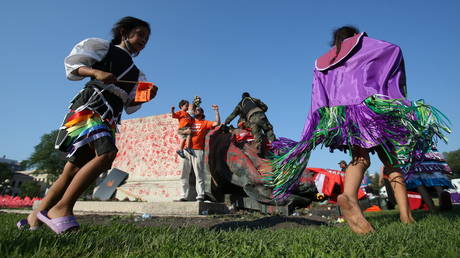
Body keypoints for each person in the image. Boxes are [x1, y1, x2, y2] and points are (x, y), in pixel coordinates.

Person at [270, 26, 449, 234]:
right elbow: (392, 49)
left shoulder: (324, 61)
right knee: (391, 163)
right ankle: (406, 217)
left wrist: (320, 121)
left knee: (360, 159)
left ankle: (349, 196)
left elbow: (318, 95)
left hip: (345, 116)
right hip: (371, 111)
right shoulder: (364, 46)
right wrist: (396, 94)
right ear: (355, 35)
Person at [17, 17, 155, 234]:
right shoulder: (103, 48)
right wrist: (95, 72)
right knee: (107, 154)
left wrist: (145, 97)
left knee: (72, 169)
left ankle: (34, 217)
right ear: (123, 32)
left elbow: (129, 103)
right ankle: (62, 208)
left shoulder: (138, 74)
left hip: (110, 117)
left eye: (147, 38)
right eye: (140, 34)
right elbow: (74, 65)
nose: (143, 40)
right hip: (92, 108)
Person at [177, 105, 220, 202]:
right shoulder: (190, 120)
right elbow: (187, 111)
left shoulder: (205, 123)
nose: (197, 111)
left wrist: (216, 111)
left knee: (199, 174)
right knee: (184, 174)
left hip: (198, 151)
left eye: (199, 110)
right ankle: (183, 196)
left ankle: (200, 195)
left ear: (202, 113)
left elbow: (217, 123)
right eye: (196, 110)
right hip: (185, 151)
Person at [224, 92, 276, 157]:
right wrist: (262, 109)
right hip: (260, 115)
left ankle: (259, 149)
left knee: (256, 134)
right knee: (268, 130)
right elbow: (265, 107)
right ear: (249, 96)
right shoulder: (254, 99)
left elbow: (233, 114)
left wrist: (226, 122)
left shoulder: (240, 105)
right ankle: (275, 146)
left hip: (251, 119)